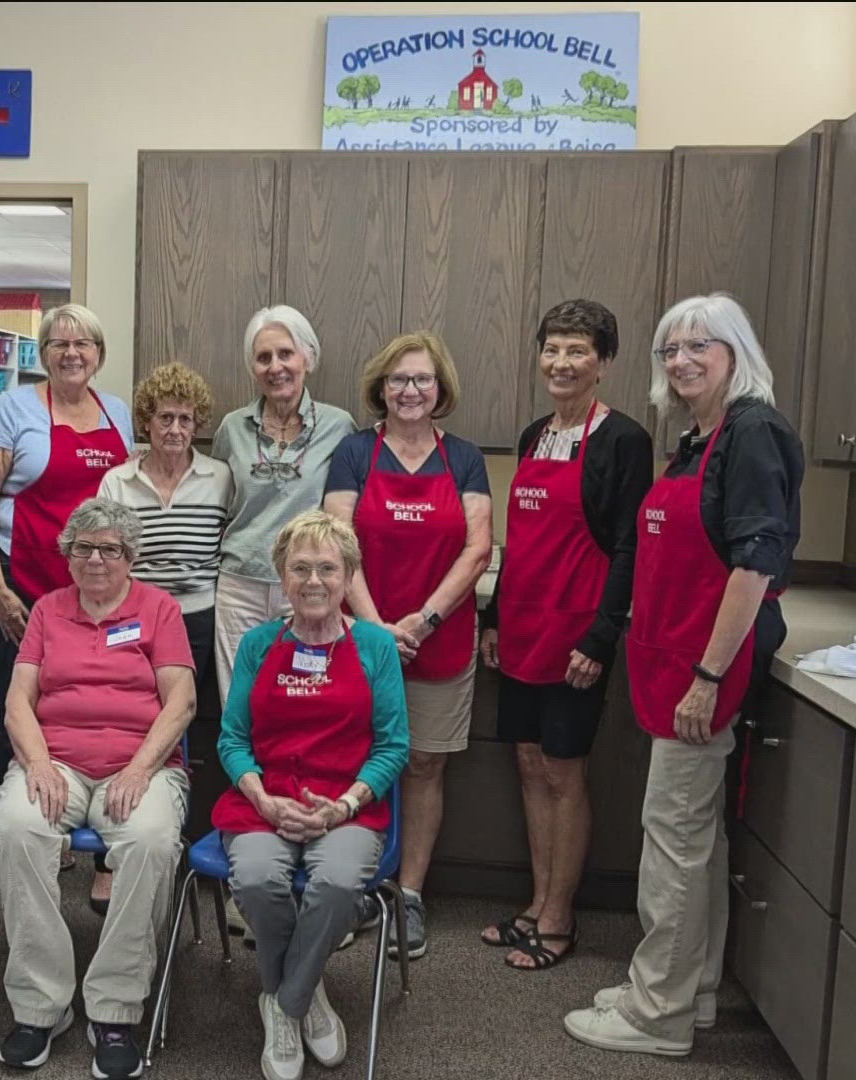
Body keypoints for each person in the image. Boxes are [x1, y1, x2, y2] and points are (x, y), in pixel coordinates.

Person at [564, 293, 803, 1057]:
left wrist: (707, 675)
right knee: (695, 840)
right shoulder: (699, 440)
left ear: (736, 352)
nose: (683, 359)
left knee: (672, 841)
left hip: (705, 672)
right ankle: (689, 989)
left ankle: (654, 1014)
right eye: (670, 348)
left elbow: (754, 565)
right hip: (675, 664)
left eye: (701, 344)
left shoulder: (754, 431)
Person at [478, 300, 654, 970]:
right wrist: (493, 619)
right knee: (528, 764)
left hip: (577, 635)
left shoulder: (623, 440)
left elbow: (629, 549)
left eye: (578, 350)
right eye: (552, 348)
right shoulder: (532, 436)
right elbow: (517, 546)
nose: (561, 362)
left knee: (564, 769)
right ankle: (534, 901)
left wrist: (602, 637)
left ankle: (559, 916)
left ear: (604, 363)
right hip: (521, 625)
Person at [0, 499, 193, 1080]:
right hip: (58, 763)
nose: (97, 559)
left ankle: (115, 1009)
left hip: (141, 764)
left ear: (131, 557)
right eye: (84, 548)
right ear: (68, 556)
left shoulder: (158, 609)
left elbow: (181, 702)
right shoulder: (48, 612)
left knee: (151, 841)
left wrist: (139, 769)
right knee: (17, 828)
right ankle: (40, 1005)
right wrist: (36, 764)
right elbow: (17, 702)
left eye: (110, 549)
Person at [216, 511, 408, 1080]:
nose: (314, 581)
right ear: (283, 575)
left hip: (348, 803)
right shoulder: (257, 643)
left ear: (349, 577)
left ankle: (284, 1001)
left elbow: (394, 746)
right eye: (300, 568)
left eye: (328, 568)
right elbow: (232, 739)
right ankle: (309, 989)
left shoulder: (375, 645)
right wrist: (262, 799)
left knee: (336, 882)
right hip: (265, 801)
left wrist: (346, 804)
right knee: (253, 878)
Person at [322, 332, 492, 961]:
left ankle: (409, 893)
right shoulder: (354, 453)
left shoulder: (466, 459)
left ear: (440, 388)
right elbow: (337, 542)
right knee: (349, 762)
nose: (410, 390)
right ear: (381, 388)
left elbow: (478, 548)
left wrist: (421, 621)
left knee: (423, 765)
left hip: (438, 640)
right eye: (398, 380)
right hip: (358, 638)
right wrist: (376, 630)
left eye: (421, 380)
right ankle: (350, 886)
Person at [0, 304, 134, 784]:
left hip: (95, 581)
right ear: (43, 353)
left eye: (82, 343)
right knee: (21, 692)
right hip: (21, 574)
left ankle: (76, 803)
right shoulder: (15, 408)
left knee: (85, 694)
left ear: (98, 354)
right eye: (59, 343)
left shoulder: (116, 411)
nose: (71, 353)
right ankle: (13, 806)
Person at [96, 361, 233, 914]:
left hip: (203, 617)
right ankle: (115, 854)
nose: (175, 429)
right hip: (139, 622)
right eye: (163, 418)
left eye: (185, 418)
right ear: (146, 423)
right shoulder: (117, 481)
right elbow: (110, 560)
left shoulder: (220, 477)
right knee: (131, 724)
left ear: (196, 422)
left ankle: (187, 843)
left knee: (198, 733)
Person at [210, 307, 357, 704]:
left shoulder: (339, 426)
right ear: (253, 368)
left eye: (286, 354)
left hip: (311, 584)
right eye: (263, 357)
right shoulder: (232, 427)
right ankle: (244, 770)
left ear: (307, 357)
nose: (276, 367)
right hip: (240, 583)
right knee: (239, 701)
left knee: (304, 699)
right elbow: (220, 501)